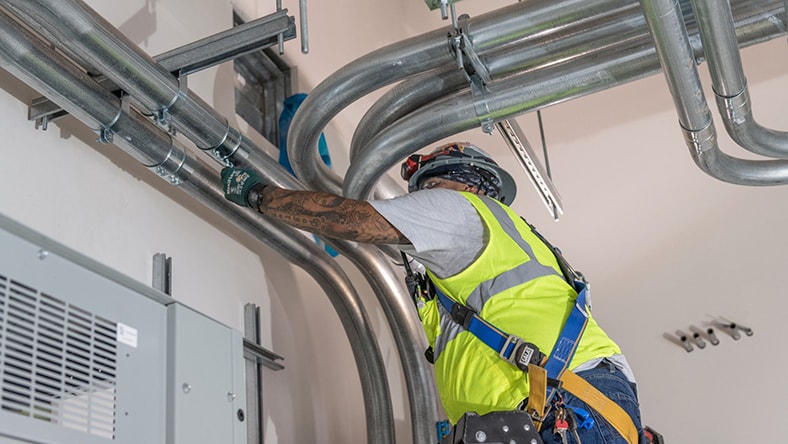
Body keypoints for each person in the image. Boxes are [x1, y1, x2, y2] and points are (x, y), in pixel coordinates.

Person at [221, 142, 645, 444]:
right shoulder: (493, 250)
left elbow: (352, 220)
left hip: (561, 409)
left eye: (425, 192)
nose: (422, 202)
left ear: (459, 185)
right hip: (567, 409)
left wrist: (260, 195)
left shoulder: (460, 209)